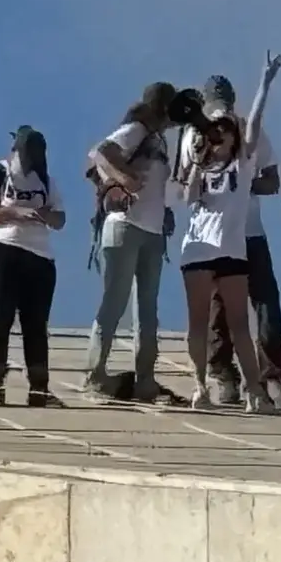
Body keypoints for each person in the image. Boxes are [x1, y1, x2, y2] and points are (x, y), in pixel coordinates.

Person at [176, 53, 281, 413]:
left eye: (225, 130)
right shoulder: (202, 163)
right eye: (215, 130)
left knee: (240, 322)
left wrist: (264, 84)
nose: (220, 134)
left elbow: (253, 124)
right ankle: (199, 386)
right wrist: (195, 162)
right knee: (199, 321)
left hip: (232, 248)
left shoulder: (244, 161)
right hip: (197, 249)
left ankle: (254, 390)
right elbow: (187, 198)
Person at [83, 83, 175, 402]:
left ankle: (145, 380)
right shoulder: (136, 130)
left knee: (147, 310)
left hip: (152, 231)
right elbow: (100, 152)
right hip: (125, 226)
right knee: (115, 301)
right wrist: (126, 180)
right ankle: (95, 374)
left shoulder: (160, 140)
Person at [0, 126, 66, 407]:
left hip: (38, 254)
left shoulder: (46, 180)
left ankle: (39, 389)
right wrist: (15, 212)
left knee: (36, 324)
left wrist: (45, 216)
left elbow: (60, 219)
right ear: (15, 152)